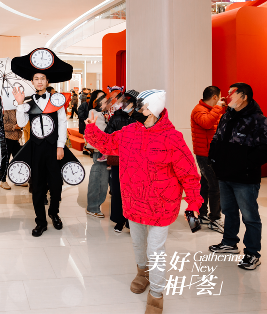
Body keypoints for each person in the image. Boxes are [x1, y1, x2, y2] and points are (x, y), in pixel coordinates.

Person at [85, 89, 202, 314]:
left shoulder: (172, 137)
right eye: (138, 107)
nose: (137, 111)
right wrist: (91, 127)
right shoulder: (129, 131)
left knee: (156, 249)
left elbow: (189, 173)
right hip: (134, 200)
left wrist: (194, 203)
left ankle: (157, 294)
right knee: (138, 243)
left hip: (161, 203)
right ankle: (143, 273)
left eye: (143, 107)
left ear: (154, 110)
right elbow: (107, 144)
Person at [11, 48, 74, 237]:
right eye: (36, 78)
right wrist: (20, 104)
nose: (39, 81)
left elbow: (62, 123)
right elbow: (21, 124)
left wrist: (60, 145)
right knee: (37, 186)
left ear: (48, 81)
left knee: (56, 184)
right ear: (32, 81)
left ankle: (54, 213)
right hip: (35, 149)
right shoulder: (28, 102)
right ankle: (40, 221)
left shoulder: (57, 101)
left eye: (43, 78)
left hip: (54, 148)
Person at [208, 83, 267, 270]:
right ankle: (229, 242)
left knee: (250, 216)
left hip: (245, 177)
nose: (227, 96)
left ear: (243, 96)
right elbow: (217, 138)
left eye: (231, 93)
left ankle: (252, 253)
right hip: (225, 175)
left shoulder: (258, 120)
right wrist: (214, 159)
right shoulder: (227, 116)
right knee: (229, 211)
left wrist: (246, 163)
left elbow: (265, 148)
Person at [190, 85, 226, 233]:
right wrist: (218, 108)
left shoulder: (210, 110)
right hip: (204, 154)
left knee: (205, 184)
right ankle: (215, 219)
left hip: (211, 153)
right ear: (215, 97)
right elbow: (206, 123)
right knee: (215, 185)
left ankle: (203, 214)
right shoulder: (198, 110)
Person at [104, 90, 138, 232]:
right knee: (118, 191)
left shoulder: (141, 118)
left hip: (137, 161)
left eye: (129, 102)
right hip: (120, 159)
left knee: (134, 192)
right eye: (124, 102)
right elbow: (107, 135)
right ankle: (119, 219)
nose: (125, 105)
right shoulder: (116, 118)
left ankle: (132, 221)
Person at [85, 92, 109, 218]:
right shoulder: (94, 112)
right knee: (99, 178)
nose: (104, 100)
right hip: (101, 148)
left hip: (107, 148)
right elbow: (99, 131)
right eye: (100, 98)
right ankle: (93, 206)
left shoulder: (106, 112)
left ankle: (94, 205)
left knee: (103, 178)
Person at [0, 108, 24, 190]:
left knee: (18, 160)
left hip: (16, 138)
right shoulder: (7, 110)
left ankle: (17, 180)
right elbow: (2, 124)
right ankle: (3, 181)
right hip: (7, 138)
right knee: (6, 160)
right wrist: (14, 126)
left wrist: (21, 126)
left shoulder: (18, 110)